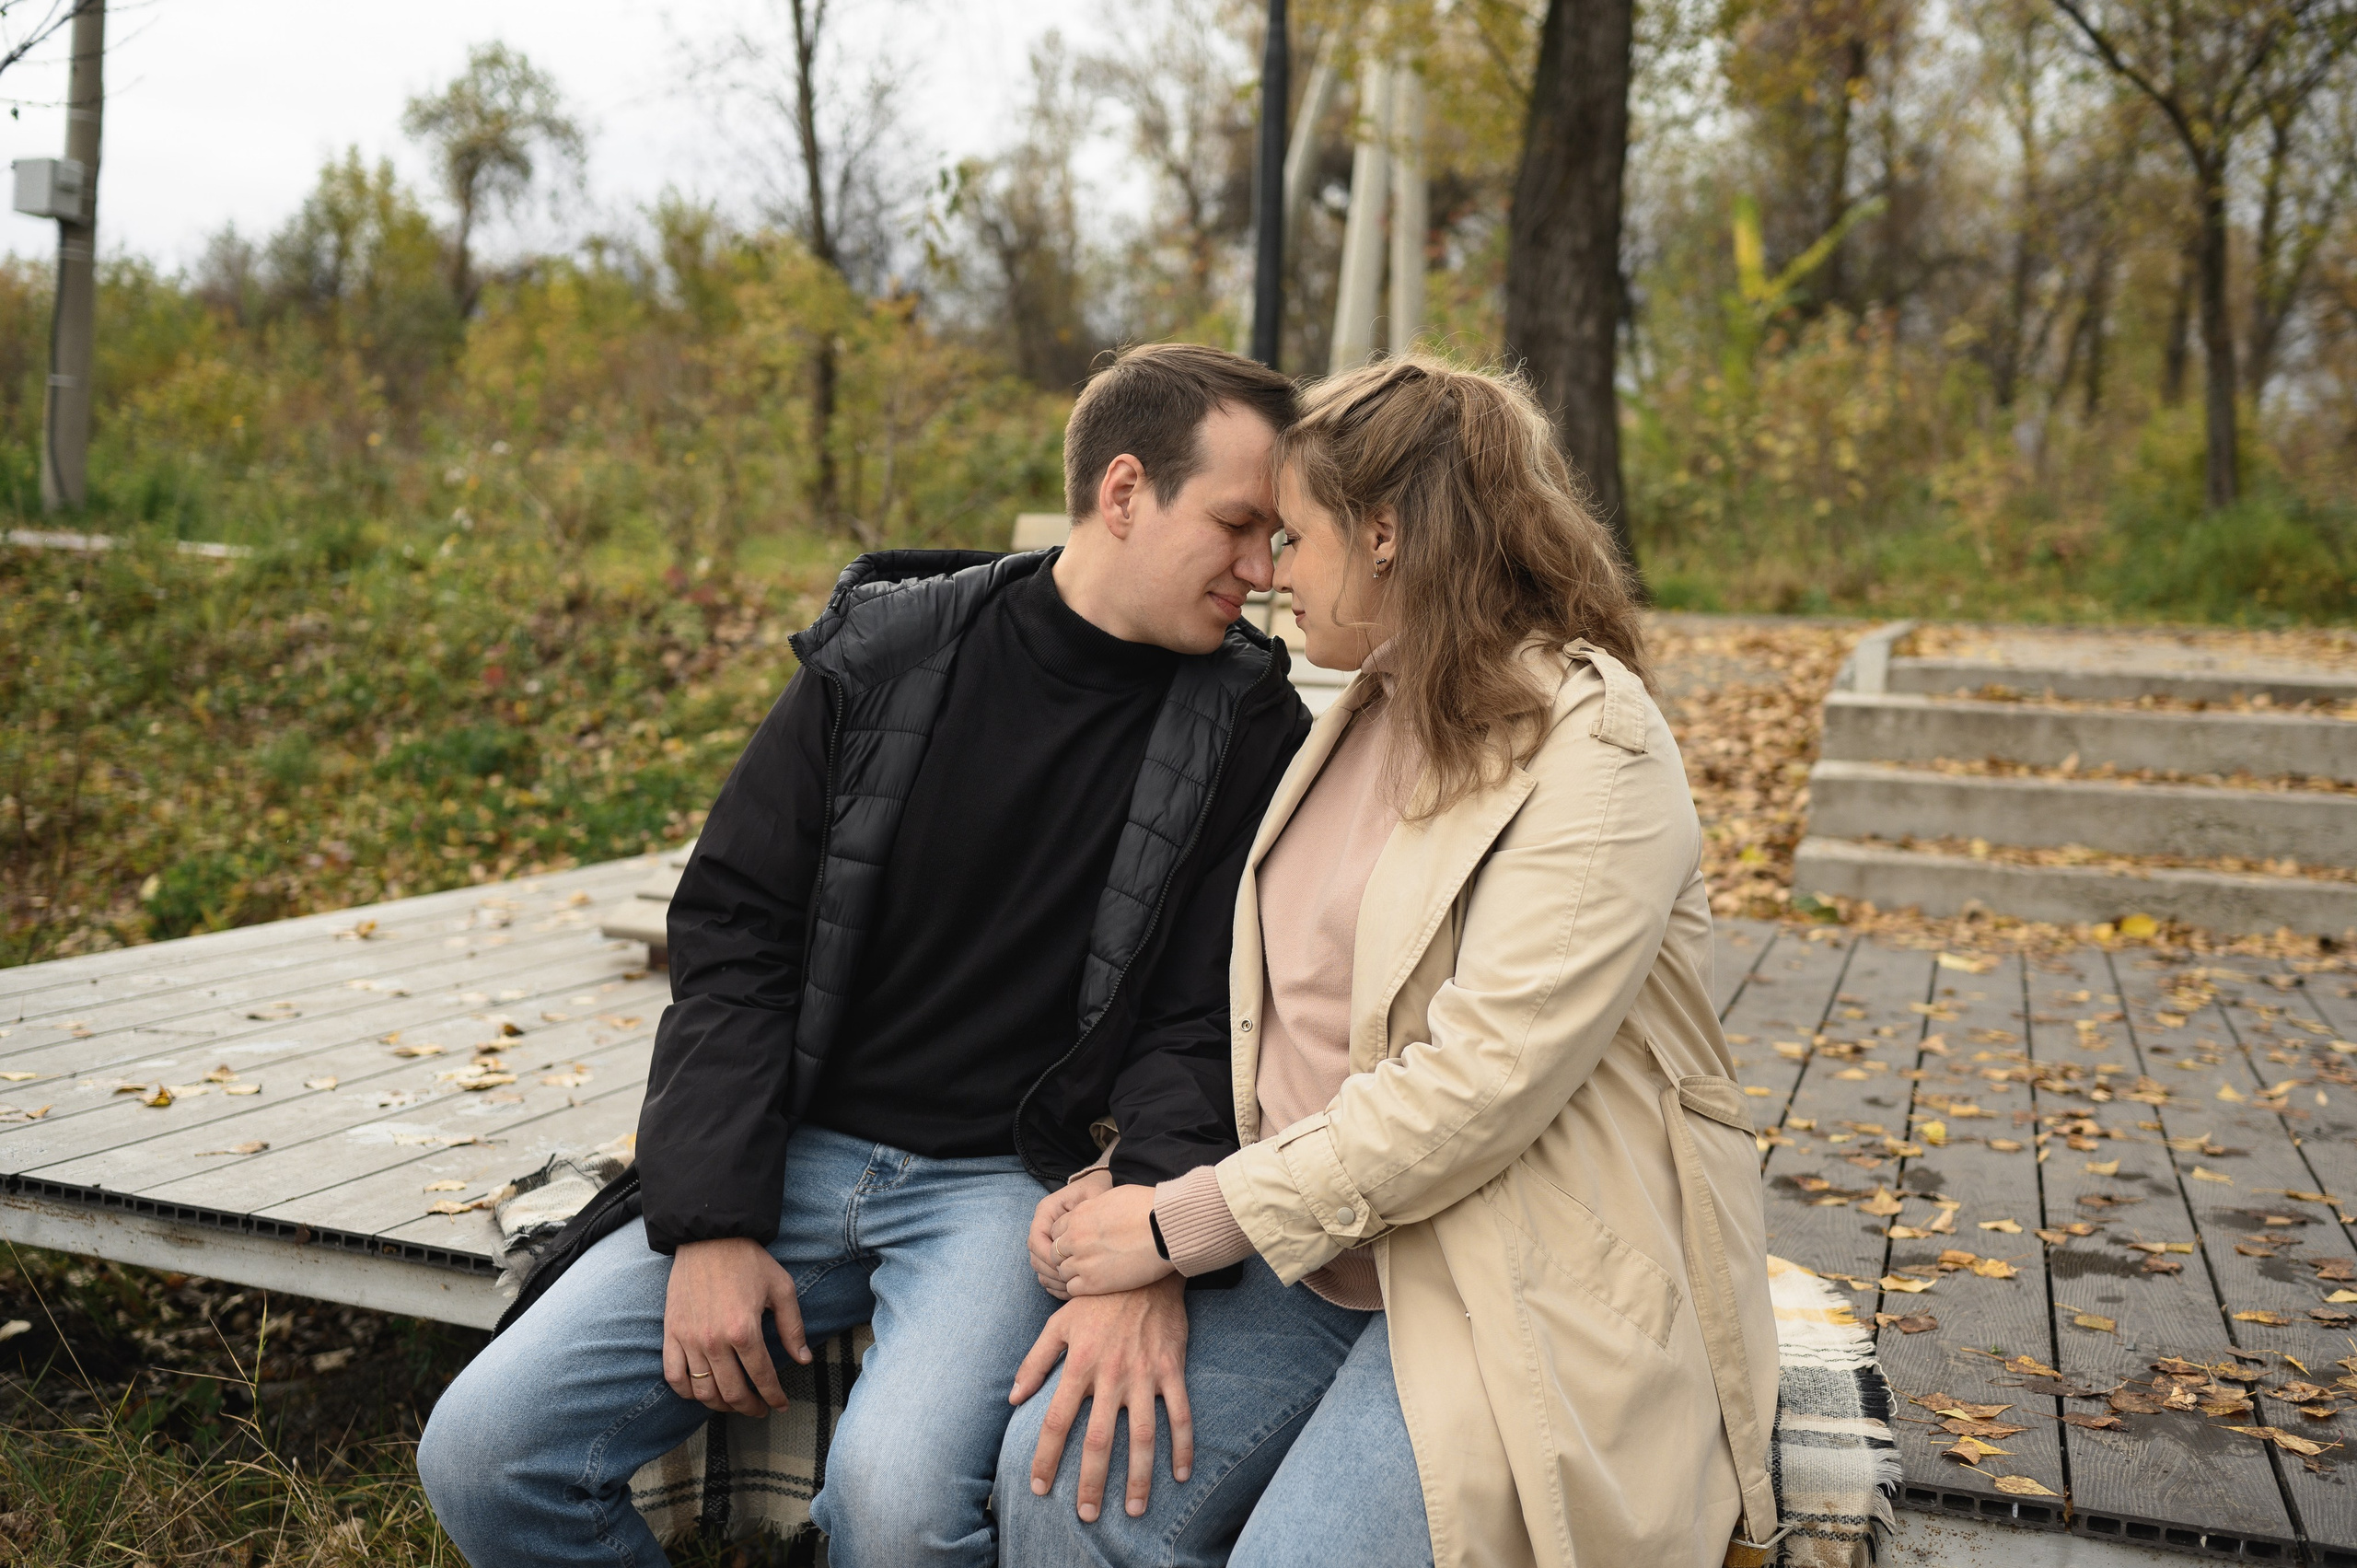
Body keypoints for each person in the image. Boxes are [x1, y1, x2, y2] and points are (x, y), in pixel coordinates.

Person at [417, 341, 1314, 1568]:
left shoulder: (1252, 725)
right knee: (482, 1452)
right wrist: (714, 1221)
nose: (1263, 572)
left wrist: (1146, 1230)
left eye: (1276, 538)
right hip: (789, 1151)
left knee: (895, 1509)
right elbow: (735, 932)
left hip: (1012, 1186)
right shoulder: (889, 656)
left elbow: (1210, 1017)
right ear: (1122, 493)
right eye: (1238, 525)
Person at [998, 356, 1782, 1568]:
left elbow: (1475, 1088)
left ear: (1384, 537)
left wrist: (1177, 1224)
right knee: (1062, 1489)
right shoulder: (1362, 709)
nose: (1267, 571)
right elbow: (1275, 1018)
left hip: (1509, 1273)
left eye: (1293, 537)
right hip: (1318, 1257)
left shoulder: (1599, 749)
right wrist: (1137, 1182)